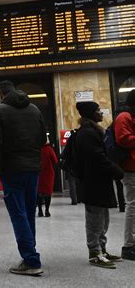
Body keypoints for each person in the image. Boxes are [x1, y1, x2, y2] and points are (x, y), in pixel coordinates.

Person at [0, 80, 46, 276]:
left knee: (18, 214)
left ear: (1, 94)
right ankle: (29, 254)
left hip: (11, 170)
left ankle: (31, 260)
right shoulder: (34, 109)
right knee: (29, 213)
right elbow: (43, 139)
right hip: (32, 169)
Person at [74, 101, 124, 268]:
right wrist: (116, 170)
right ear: (90, 114)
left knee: (103, 218)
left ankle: (102, 249)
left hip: (99, 182)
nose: (101, 113)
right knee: (95, 219)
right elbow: (97, 158)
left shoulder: (93, 131)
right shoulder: (87, 134)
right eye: (98, 110)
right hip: (92, 183)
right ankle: (94, 253)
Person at [114, 89, 135, 260]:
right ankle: (129, 245)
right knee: (132, 206)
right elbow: (123, 138)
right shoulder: (124, 117)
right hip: (130, 168)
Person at [37, 141, 58, 217]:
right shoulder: (49, 149)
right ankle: (47, 210)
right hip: (49, 174)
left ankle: (40, 211)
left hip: (38, 173)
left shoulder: (37, 149)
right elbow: (55, 161)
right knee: (48, 193)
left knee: (39, 193)